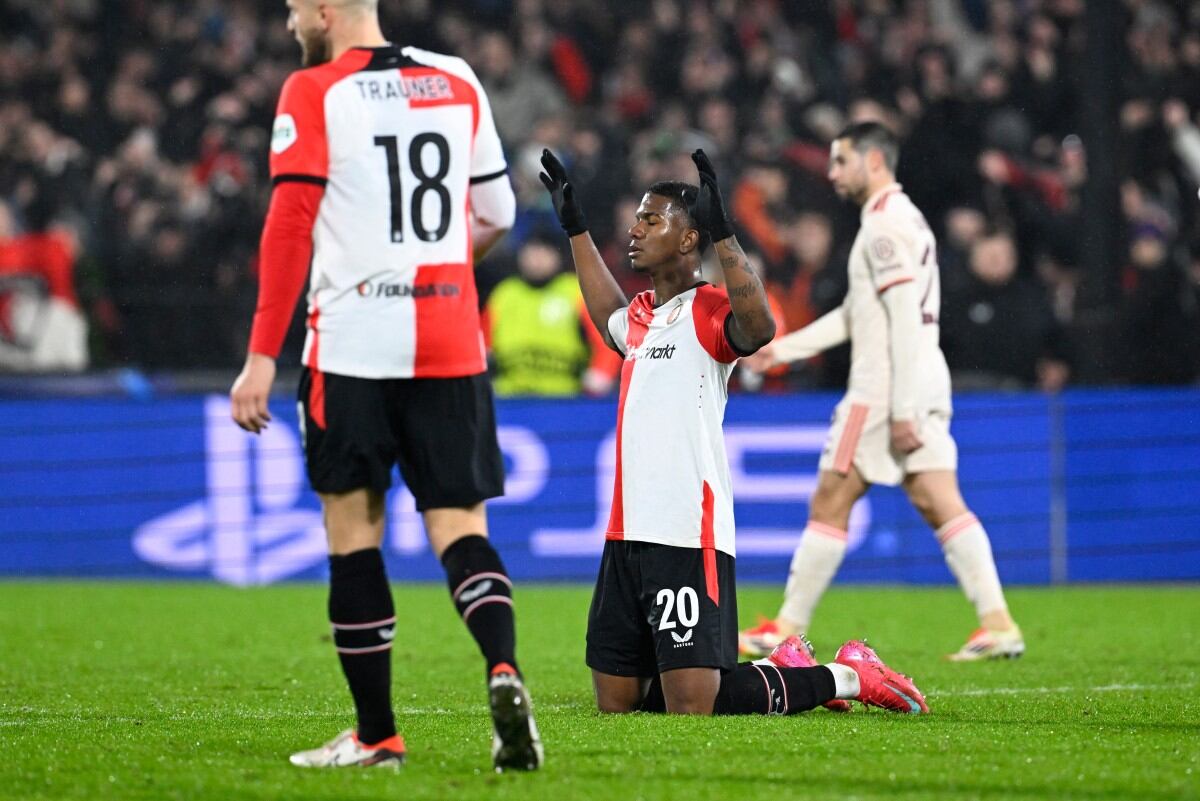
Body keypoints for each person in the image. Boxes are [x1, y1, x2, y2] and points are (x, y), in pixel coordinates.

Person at [229, 0, 541, 771]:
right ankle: (503, 667)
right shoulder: (457, 77)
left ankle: (377, 735)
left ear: (326, 12)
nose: (289, 24)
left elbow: (288, 226)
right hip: (450, 342)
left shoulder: (313, 90)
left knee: (353, 536)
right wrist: (433, 269)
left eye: (295, 10)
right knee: (461, 529)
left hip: (353, 345)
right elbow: (498, 212)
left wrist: (262, 356)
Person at [539, 147, 928, 717]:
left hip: (685, 532)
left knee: (693, 706)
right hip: (625, 532)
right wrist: (576, 228)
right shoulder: (642, 314)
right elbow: (606, 318)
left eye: (652, 219)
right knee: (618, 703)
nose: (636, 229)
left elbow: (759, 328)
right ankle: (780, 668)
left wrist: (724, 232)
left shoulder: (709, 310)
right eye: (638, 218)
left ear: (688, 239)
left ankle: (846, 676)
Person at [738, 122, 1025, 662]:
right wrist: (785, 350)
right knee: (937, 498)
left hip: (884, 386)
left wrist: (902, 408)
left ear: (873, 161)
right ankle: (999, 623)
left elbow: (902, 318)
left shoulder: (883, 227)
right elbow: (858, 313)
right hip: (920, 375)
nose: (831, 173)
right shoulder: (901, 217)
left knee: (831, 498)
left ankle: (785, 629)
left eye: (841, 160)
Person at [483, 234, 619, 396]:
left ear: (558, 256)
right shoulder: (504, 294)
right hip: (509, 396)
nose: (537, 259)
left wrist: (599, 377)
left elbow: (607, 340)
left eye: (545, 251)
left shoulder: (576, 292)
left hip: (565, 397)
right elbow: (482, 345)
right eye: (532, 251)